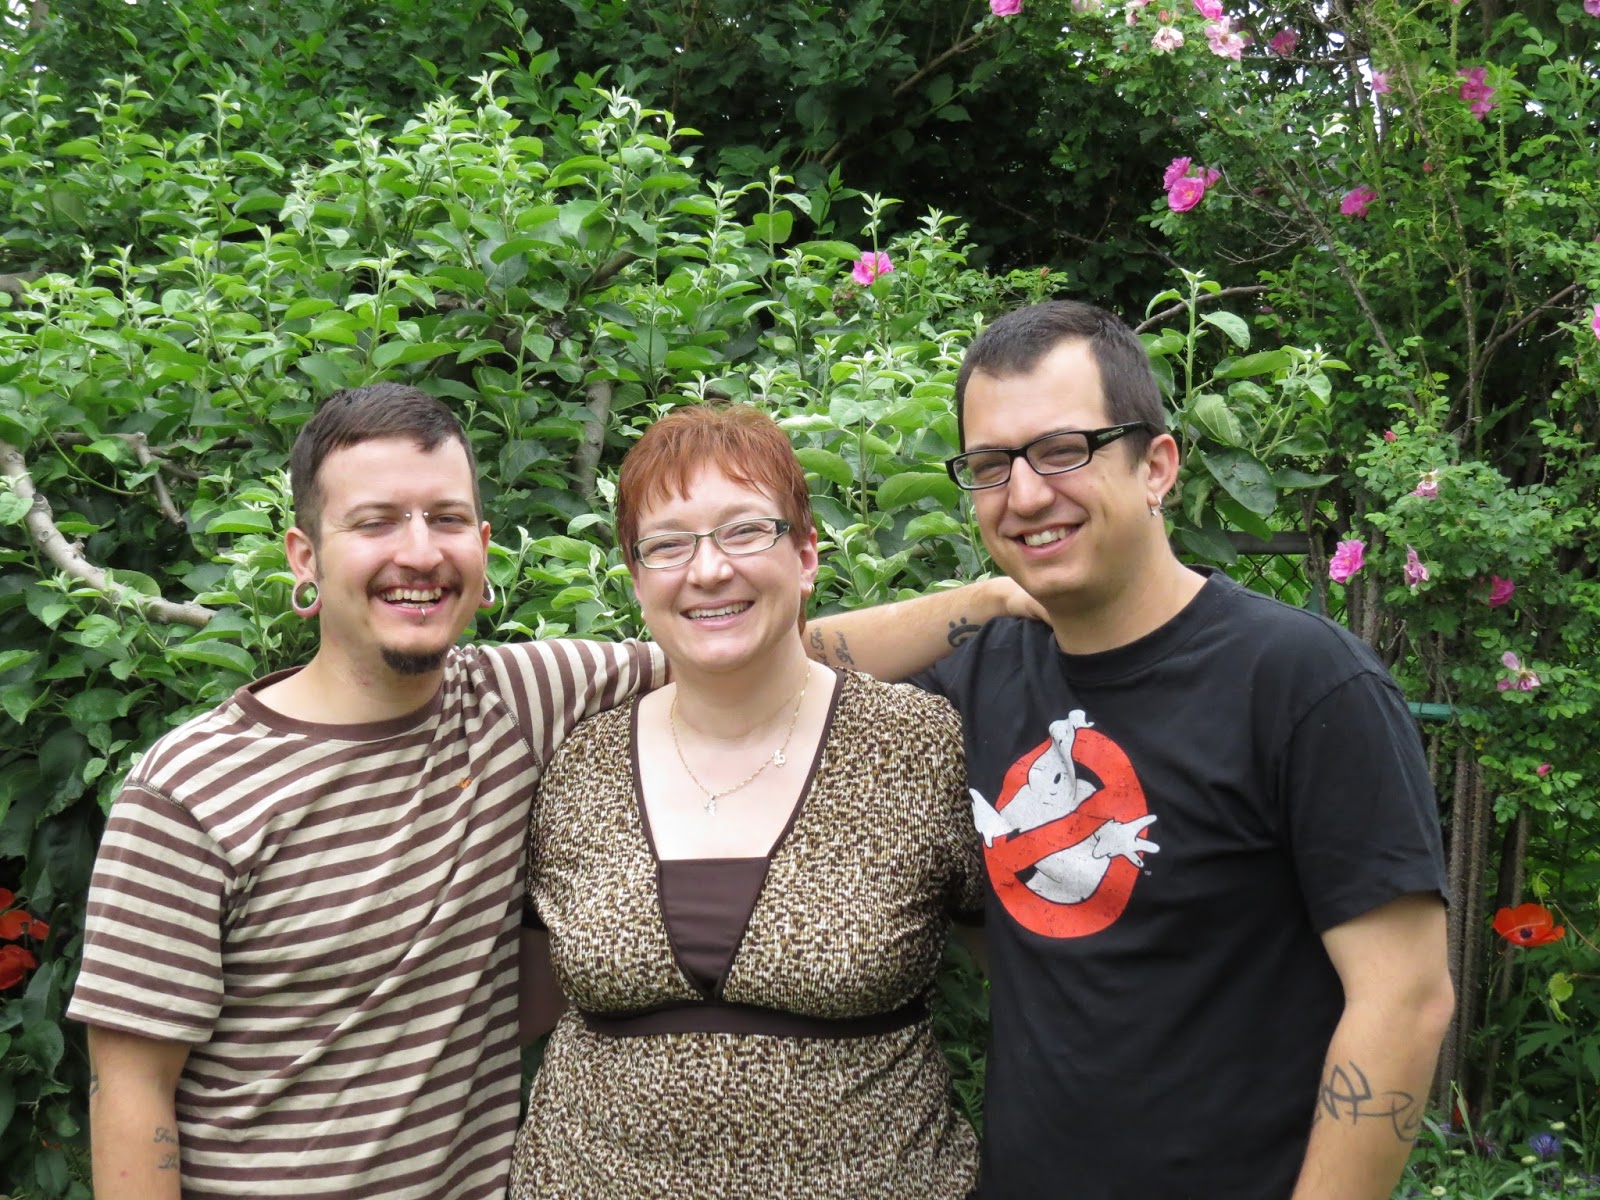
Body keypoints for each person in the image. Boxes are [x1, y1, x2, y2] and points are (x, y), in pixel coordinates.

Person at [69, 383, 1026, 1200]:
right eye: (375, 522)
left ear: (483, 546)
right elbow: (131, 1091)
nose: (419, 552)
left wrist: (991, 600)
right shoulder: (191, 789)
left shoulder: (526, 702)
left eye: (446, 519)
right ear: (303, 556)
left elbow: (746, 636)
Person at [905, 300, 1454, 1200]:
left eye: (1062, 450)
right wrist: (978, 603)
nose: (1026, 495)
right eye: (991, 466)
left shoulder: (1303, 683)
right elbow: (760, 670)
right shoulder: (974, 681)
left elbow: (1406, 999)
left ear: (1157, 465)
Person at [508, 403, 982, 1200]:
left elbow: (1035, 972)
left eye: (744, 531)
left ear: (806, 557)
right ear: (636, 581)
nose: (708, 570)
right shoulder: (577, 759)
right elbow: (512, 1003)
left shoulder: (920, 745)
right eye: (669, 544)